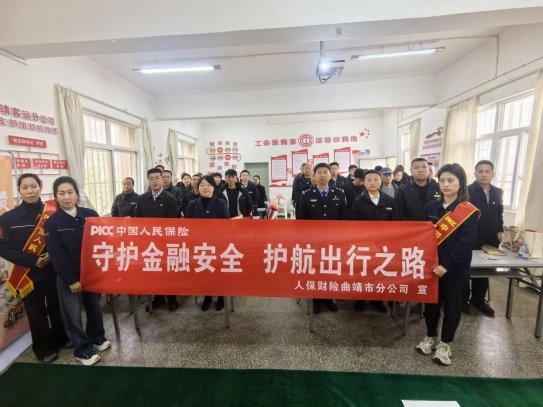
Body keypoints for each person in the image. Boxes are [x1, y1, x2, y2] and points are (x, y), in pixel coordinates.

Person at [0, 173, 69, 363]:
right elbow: (4, 248)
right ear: (19, 190)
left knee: (57, 306)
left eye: (33, 186)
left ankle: (61, 338)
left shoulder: (55, 212)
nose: (30, 191)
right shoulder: (8, 219)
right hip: (28, 273)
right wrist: (33, 260)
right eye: (25, 187)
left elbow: (64, 238)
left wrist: (52, 255)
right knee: (35, 312)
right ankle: (44, 348)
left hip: (54, 269)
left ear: (40, 187)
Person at [415, 163, 479, 366]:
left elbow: (465, 244)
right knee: (431, 306)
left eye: (451, 180)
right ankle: (430, 336)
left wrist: (447, 265)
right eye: (442, 180)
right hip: (432, 268)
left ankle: (445, 343)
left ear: (461, 183)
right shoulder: (431, 207)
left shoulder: (467, 211)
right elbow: (422, 235)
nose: (445, 184)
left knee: (452, 308)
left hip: (455, 270)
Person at [44, 176, 110, 366]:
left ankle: (97, 337)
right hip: (68, 277)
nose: (66, 197)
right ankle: (82, 349)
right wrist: (71, 279)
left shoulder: (90, 214)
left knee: (94, 308)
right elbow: (57, 255)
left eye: (70, 192)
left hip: (91, 273)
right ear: (56, 196)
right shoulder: (52, 223)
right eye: (61, 193)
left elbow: (102, 241)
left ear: (76, 194)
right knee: (72, 315)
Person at [296, 163, 348, 314]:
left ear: (331, 175)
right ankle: (315, 301)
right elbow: (301, 220)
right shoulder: (306, 194)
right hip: (313, 242)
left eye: (326, 172)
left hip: (334, 241)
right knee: (315, 270)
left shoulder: (339, 193)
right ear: (314, 175)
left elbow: (344, 219)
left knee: (330, 269)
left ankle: (328, 299)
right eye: (319, 172)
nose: (323, 175)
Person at [349, 169, 399, 313]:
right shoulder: (358, 201)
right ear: (364, 183)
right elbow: (353, 223)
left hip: (383, 245)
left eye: (376, 179)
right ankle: (360, 299)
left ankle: (377, 300)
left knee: (379, 272)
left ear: (380, 181)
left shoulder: (390, 201)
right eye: (369, 180)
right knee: (362, 272)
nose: (372, 183)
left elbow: (395, 222)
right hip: (363, 245)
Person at [135, 168, 180, 311]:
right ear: (148, 181)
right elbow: (138, 221)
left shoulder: (170, 199)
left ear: (162, 179)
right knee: (154, 270)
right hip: (149, 243)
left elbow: (172, 222)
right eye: (151, 178)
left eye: (157, 178)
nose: (154, 181)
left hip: (166, 242)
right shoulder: (142, 199)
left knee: (168, 270)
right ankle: (158, 297)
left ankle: (172, 298)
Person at [464, 160, 504, 316]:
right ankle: (463, 300)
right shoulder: (466, 191)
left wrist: (500, 230)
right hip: (472, 236)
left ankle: (478, 299)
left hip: (491, 238)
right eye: (480, 171)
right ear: (475, 173)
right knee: (467, 269)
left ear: (493, 174)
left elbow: (499, 213)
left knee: (485, 270)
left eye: (487, 171)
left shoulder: (498, 192)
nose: (484, 174)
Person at [185, 175, 230, 311]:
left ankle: (221, 296)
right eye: (202, 185)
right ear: (198, 188)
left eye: (209, 185)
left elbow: (226, 225)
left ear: (214, 188)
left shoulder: (221, 203)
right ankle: (208, 296)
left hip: (218, 244)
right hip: (199, 245)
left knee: (219, 271)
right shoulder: (192, 204)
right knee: (205, 271)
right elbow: (187, 226)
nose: (205, 188)